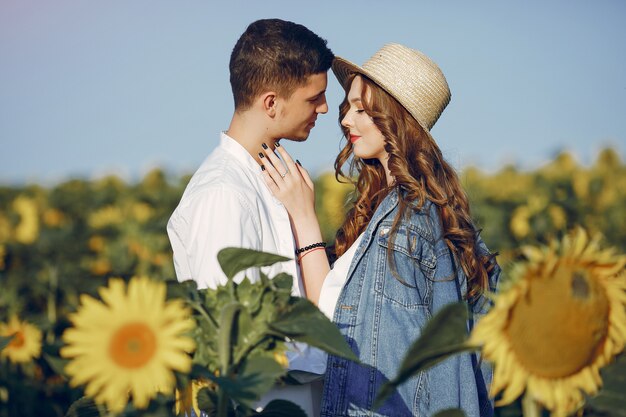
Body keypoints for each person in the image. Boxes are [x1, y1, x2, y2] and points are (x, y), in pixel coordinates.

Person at [260, 44, 500, 417]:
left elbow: (448, 373)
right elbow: (347, 323)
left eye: (361, 109)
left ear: (394, 117)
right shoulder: (388, 212)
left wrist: (304, 218)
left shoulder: (409, 224)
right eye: (348, 107)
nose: (345, 120)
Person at [166, 18, 333, 416]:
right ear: (271, 102)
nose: (325, 109)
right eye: (314, 98)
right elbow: (233, 348)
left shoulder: (268, 180)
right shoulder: (224, 194)